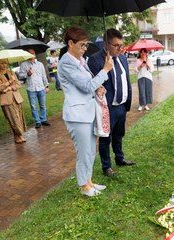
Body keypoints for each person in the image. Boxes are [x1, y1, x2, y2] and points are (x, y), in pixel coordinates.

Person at [58, 26, 113, 197]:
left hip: (87, 112)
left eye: (86, 45)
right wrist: (105, 70)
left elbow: (90, 85)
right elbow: (86, 85)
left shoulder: (80, 61)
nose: (85, 48)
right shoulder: (67, 62)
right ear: (70, 43)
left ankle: (88, 181)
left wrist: (98, 88)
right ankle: (84, 186)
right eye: (82, 45)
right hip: (77, 115)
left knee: (90, 150)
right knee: (83, 151)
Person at [88, 28, 135, 177]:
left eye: (121, 45)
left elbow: (126, 80)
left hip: (121, 106)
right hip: (107, 108)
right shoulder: (95, 59)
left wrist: (127, 102)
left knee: (118, 135)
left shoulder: (122, 58)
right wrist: (105, 68)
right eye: (116, 45)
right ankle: (106, 166)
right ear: (106, 44)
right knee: (105, 138)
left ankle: (120, 158)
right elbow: (94, 85)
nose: (120, 48)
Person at [0, 59, 27, 144]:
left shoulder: (11, 72)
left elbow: (18, 85)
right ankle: (17, 135)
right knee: (12, 118)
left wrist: (9, 88)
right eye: (2, 63)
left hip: (17, 98)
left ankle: (20, 135)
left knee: (19, 117)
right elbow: (0, 87)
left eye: (5, 63)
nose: (4, 65)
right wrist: (10, 81)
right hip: (6, 100)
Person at [19, 48, 51, 129]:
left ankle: (43, 119)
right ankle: (37, 121)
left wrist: (46, 86)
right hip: (31, 88)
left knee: (43, 105)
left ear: (35, 54)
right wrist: (28, 74)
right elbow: (20, 76)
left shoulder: (40, 64)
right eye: (30, 53)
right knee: (33, 106)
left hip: (41, 87)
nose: (31, 55)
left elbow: (44, 75)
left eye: (33, 53)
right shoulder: (24, 65)